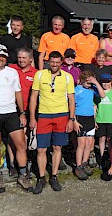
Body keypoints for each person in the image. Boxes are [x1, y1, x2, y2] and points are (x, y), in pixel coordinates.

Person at [0, 44, 32, 193]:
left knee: (21, 144)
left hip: (11, 112)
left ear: (6, 58)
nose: (1, 59)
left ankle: (23, 175)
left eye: (3, 56)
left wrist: (22, 112)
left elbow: (18, 92)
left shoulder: (12, 72)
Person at [29, 50, 78, 194]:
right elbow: (33, 97)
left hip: (62, 115)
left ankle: (54, 176)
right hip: (44, 115)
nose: (55, 64)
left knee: (57, 148)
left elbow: (71, 99)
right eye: (52, 62)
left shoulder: (67, 77)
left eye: (57, 62)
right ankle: (42, 177)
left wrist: (71, 118)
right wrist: (32, 117)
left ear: (61, 62)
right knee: (41, 149)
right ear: (48, 62)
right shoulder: (40, 74)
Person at [8, 47, 38, 177]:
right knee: (12, 138)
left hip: (29, 110)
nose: (21, 60)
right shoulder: (11, 69)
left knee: (26, 138)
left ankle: (25, 163)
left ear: (30, 59)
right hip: (12, 109)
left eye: (24, 58)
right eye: (19, 57)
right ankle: (12, 164)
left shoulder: (36, 73)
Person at [73, 70, 105, 181]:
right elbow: (71, 105)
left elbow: (103, 95)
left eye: (90, 82)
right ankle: (78, 166)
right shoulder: (76, 90)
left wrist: (95, 83)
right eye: (87, 82)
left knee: (89, 143)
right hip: (79, 118)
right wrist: (74, 121)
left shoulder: (92, 90)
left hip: (90, 118)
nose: (89, 84)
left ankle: (84, 163)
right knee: (81, 144)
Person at [95, 73, 112, 170]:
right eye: (103, 82)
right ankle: (102, 157)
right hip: (100, 119)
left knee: (110, 140)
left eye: (107, 82)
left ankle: (110, 157)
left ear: (110, 82)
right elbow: (95, 106)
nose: (105, 84)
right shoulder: (97, 93)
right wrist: (94, 120)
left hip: (111, 119)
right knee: (101, 139)